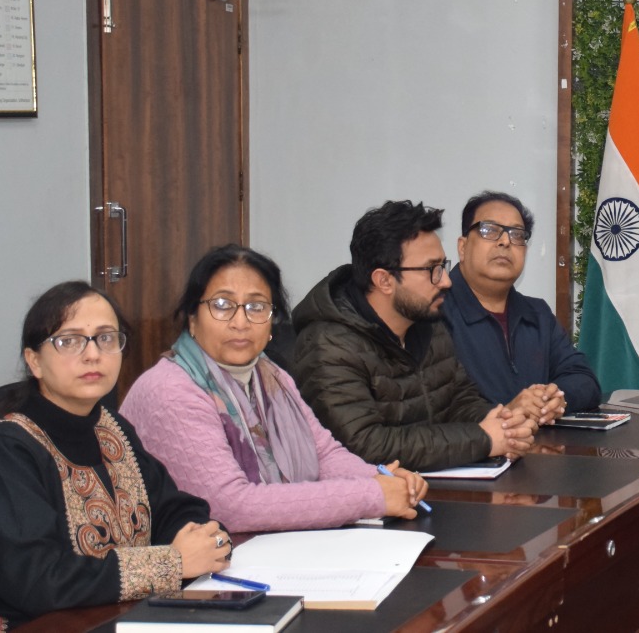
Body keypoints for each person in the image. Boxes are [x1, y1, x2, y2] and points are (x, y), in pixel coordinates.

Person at [0, 282, 230, 630]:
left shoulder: (112, 427)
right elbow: (39, 580)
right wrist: (172, 563)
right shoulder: (5, 451)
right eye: (70, 341)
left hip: (117, 616)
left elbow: (170, 508)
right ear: (34, 361)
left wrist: (203, 539)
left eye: (106, 338)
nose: (93, 354)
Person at [124, 245, 429, 533]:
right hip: (181, 562)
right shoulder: (170, 389)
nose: (241, 322)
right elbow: (229, 507)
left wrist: (382, 478)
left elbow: (323, 454)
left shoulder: (271, 376)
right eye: (222, 305)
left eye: (256, 307)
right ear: (192, 319)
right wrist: (371, 494)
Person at [291, 200, 539, 471]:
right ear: (384, 280)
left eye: (443, 266)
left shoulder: (427, 324)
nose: (446, 281)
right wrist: (484, 439)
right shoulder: (328, 345)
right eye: (432, 270)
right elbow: (365, 445)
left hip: (429, 485)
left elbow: (459, 400)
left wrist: (505, 425)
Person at [443, 191, 601, 421]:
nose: (505, 241)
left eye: (517, 235)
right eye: (490, 230)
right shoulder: (434, 312)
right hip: (473, 443)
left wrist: (555, 398)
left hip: (543, 443)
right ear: (463, 247)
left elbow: (583, 379)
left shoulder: (538, 314)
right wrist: (507, 413)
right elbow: (431, 407)